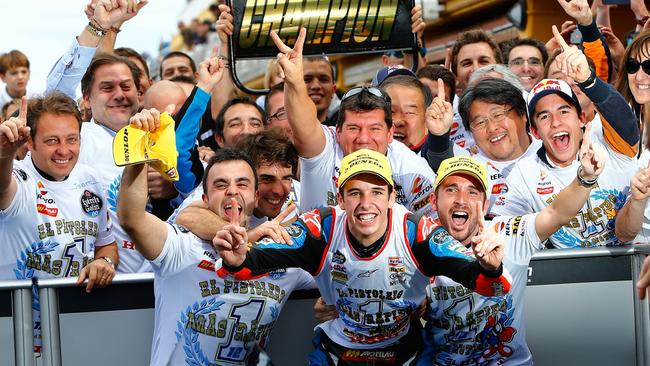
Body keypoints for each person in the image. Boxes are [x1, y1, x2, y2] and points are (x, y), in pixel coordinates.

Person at [214, 148, 511, 365]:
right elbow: (246, 266)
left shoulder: (418, 233)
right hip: (338, 352)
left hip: (403, 351)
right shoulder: (321, 228)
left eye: (377, 192)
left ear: (392, 197)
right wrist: (237, 257)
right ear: (340, 199)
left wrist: (491, 266)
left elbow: (491, 286)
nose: (366, 204)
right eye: (355, 193)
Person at [117, 148, 315, 366]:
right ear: (205, 198)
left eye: (242, 184)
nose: (232, 191)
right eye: (221, 185)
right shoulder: (181, 246)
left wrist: (332, 300)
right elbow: (131, 219)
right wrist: (136, 155)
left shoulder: (281, 256)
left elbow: (337, 271)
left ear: (256, 196)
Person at [419, 133, 605, 364]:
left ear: (485, 204)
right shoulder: (418, 243)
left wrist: (585, 178)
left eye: (472, 191)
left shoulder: (507, 231)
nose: (461, 200)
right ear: (434, 201)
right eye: (451, 190)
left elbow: (556, 213)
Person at [493, 26, 639, 248]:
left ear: (581, 118)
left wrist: (588, 79)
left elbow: (624, 119)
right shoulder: (525, 173)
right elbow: (499, 228)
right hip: (569, 279)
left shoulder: (610, 140)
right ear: (534, 131)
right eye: (544, 116)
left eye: (564, 111)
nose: (556, 122)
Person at [275, 28, 437, 218]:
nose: (363, 138)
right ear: (338, 131)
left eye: (374, 128)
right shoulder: (325, 148)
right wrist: (295, 83)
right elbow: (303, 125)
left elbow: (435, 230)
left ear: (390, 133)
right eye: (353, 128)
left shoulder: (412, 169)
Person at [0, 93, 118, 350]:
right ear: (30, 142)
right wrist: (3, 154)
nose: (64, 150)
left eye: (72, 139)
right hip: (18, 340)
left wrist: (104, 262)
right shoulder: (18, 177)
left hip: (78, 332)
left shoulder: (91, 180)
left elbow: (106, 245)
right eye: (52, 141)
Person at [423, 78, 541, 213]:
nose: (491, 128)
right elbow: (439, 159)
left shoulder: (551, 151)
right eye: (479, 122)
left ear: (523, 114)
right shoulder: (468, 166)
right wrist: (439, 136)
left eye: (498, 115)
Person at [448, 30, 502, 150]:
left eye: (483, 61)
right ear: (456, 76)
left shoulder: (527, 106)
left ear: (500, 68)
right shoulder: (447, 124)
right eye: (467, 63)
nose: (476, 69)